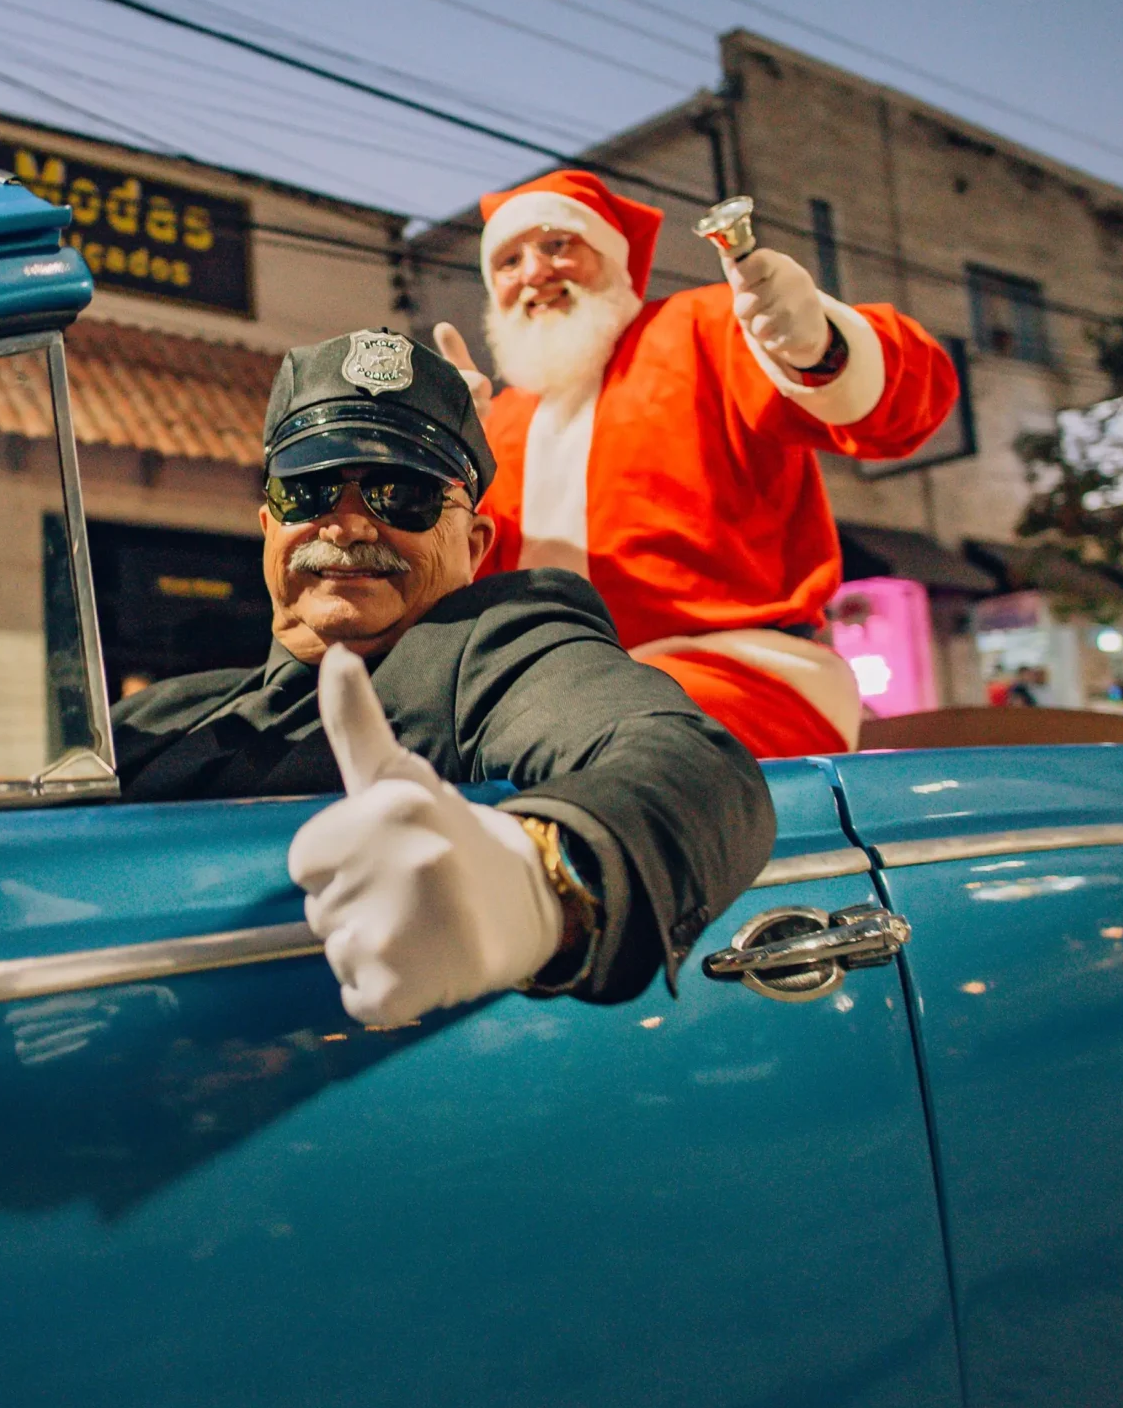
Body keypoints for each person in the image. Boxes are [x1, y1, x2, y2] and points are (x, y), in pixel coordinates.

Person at [115, 328, 775, 1025]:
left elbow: (688, 762)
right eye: (308, 491)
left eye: (401, 494)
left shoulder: (493, 646)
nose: (345, 523)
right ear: (268, 524)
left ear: (474, 543)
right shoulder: (159, 715)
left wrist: (538, 881)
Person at [433, 170, 960, 758]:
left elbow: (913, 402)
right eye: (508, 261)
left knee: (578, 731)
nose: (533, 272)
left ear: (609, 256)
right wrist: (440, 465)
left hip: (748, 677)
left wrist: (820, 344)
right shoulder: (501, 422)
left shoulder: (704, 328)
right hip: (551, 694)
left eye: (557, 244)